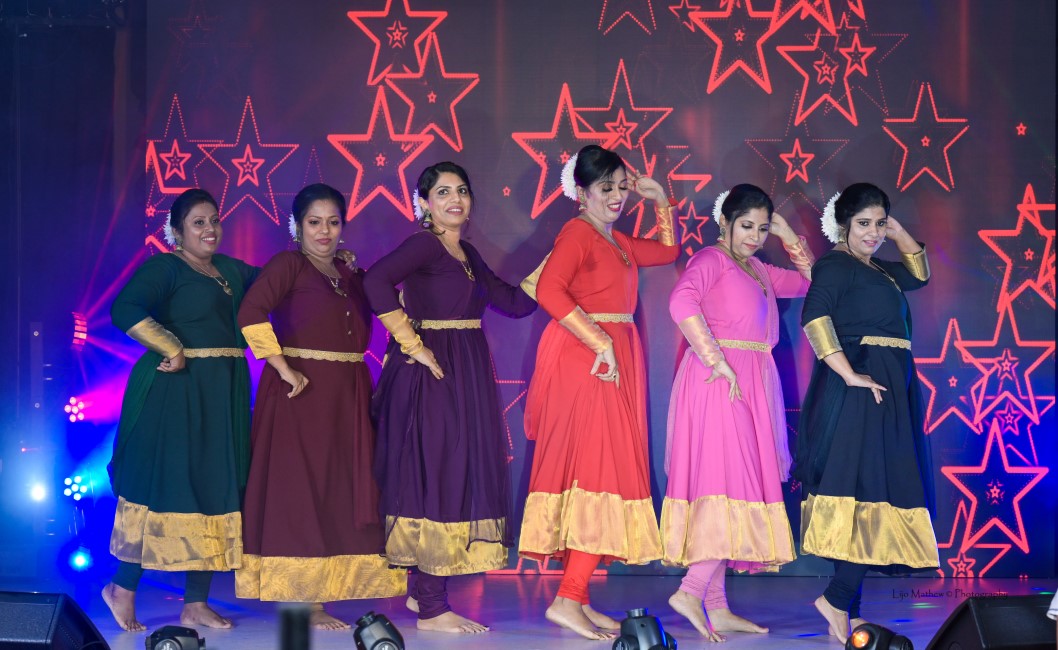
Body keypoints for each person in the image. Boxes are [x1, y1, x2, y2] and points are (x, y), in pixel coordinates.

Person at [365, 162, 542, 634]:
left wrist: (558, 262)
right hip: (433, 375)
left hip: (464, 372)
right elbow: (375, 282)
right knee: (437, 472)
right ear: (424, 202)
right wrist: (412, 343)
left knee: (448, 470)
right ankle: (431, 606)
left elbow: (514, 303)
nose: (455, 200)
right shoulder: (424, 244)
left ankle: (422, 592)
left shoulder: (466, 252)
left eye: (461, 190)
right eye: (442, 192)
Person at [518, 144, 679, 640]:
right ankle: (567, 599)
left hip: (609, 357)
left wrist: (660, 201)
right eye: (605, 187)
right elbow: (549, 290)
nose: (616, 196)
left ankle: (579, 599)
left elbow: (668, 252)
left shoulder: (618, 241)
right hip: (587, 361)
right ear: (581, 192)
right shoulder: (578, 232)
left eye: (621, 186)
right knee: (599, 474)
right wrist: (599, 341)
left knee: (596, 475)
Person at [234, 184, 406, 629]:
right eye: (314, 222)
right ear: (297, 226)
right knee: (300, 488)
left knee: (338, 487)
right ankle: (304, 601)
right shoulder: (288, 265)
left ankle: (326, 589)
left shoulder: (348, 273)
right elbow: (250, 312)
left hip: (346, 395)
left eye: (333, 222)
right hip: (300, 395)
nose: (324, 231)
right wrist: (283, 368)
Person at [662, 184, 815, 641]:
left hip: (751, 381)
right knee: (729, 483)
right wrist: (716, 360)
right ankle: (690, 591)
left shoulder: (759, 269)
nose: (754, 236)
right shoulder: (711, 259)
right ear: (724, 221)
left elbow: (812, 281)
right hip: (720, 382)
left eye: (762, 229)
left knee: (731, 486)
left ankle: (717, 606)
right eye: (747, 226)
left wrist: (788, 236)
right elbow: (680, 302)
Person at [102, 188, 258, 631]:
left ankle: (195, 603)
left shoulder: (231, 270)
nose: (210, 229)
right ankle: (122, 588)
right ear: (176, 231)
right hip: (176, 393)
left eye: (215, 220)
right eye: (198, 223)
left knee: (215, 486)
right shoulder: (166, 268)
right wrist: (170, 345)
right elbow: (124, 308)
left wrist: (331, 259)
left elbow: (281, 281)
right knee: (164, 486)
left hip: (222, 394)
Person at [795, 182, 938, 642]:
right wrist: (850, 375)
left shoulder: (875, 267)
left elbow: (919, 274)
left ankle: (846, 609)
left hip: (888, 385)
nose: (873, 232)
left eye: (879, 223)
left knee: (864, 497)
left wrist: (897, 231)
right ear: (843, 224)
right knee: (871, 491)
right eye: (863, 223)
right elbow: (814, 318)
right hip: (864, 390)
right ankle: (837, 599)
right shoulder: (836, 265)